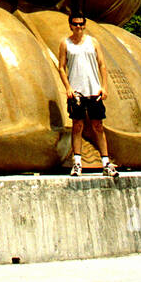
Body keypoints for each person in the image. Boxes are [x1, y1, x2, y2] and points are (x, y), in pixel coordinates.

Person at [58, 13, 119, 178]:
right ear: (70, 25)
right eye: (75, 24)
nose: (79, 27)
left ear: (84, 25)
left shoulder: (93, 42)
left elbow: (102, 65)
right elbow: (61, 67)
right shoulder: (66, 43)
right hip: (76, 92)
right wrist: (68, 87)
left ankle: (106, 162)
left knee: (98, 126)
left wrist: (104, 87)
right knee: (77, 126)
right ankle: (77, 162)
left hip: (93, 90)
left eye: (81, 24)